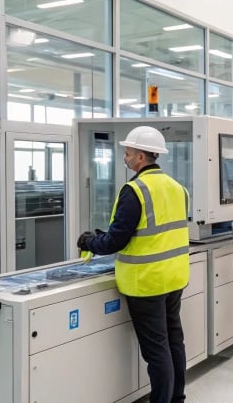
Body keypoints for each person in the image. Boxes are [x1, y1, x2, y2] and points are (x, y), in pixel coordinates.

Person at [77, 126, 190, 403]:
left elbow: (116, 241)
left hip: (146, 282)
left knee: (156, 350)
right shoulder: (178, 188)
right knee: (174, 340)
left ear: (141, 157)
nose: (125, 158)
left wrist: (89, 241)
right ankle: (177, 397)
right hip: (174, 277)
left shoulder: (135, 191)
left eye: (128, 153)